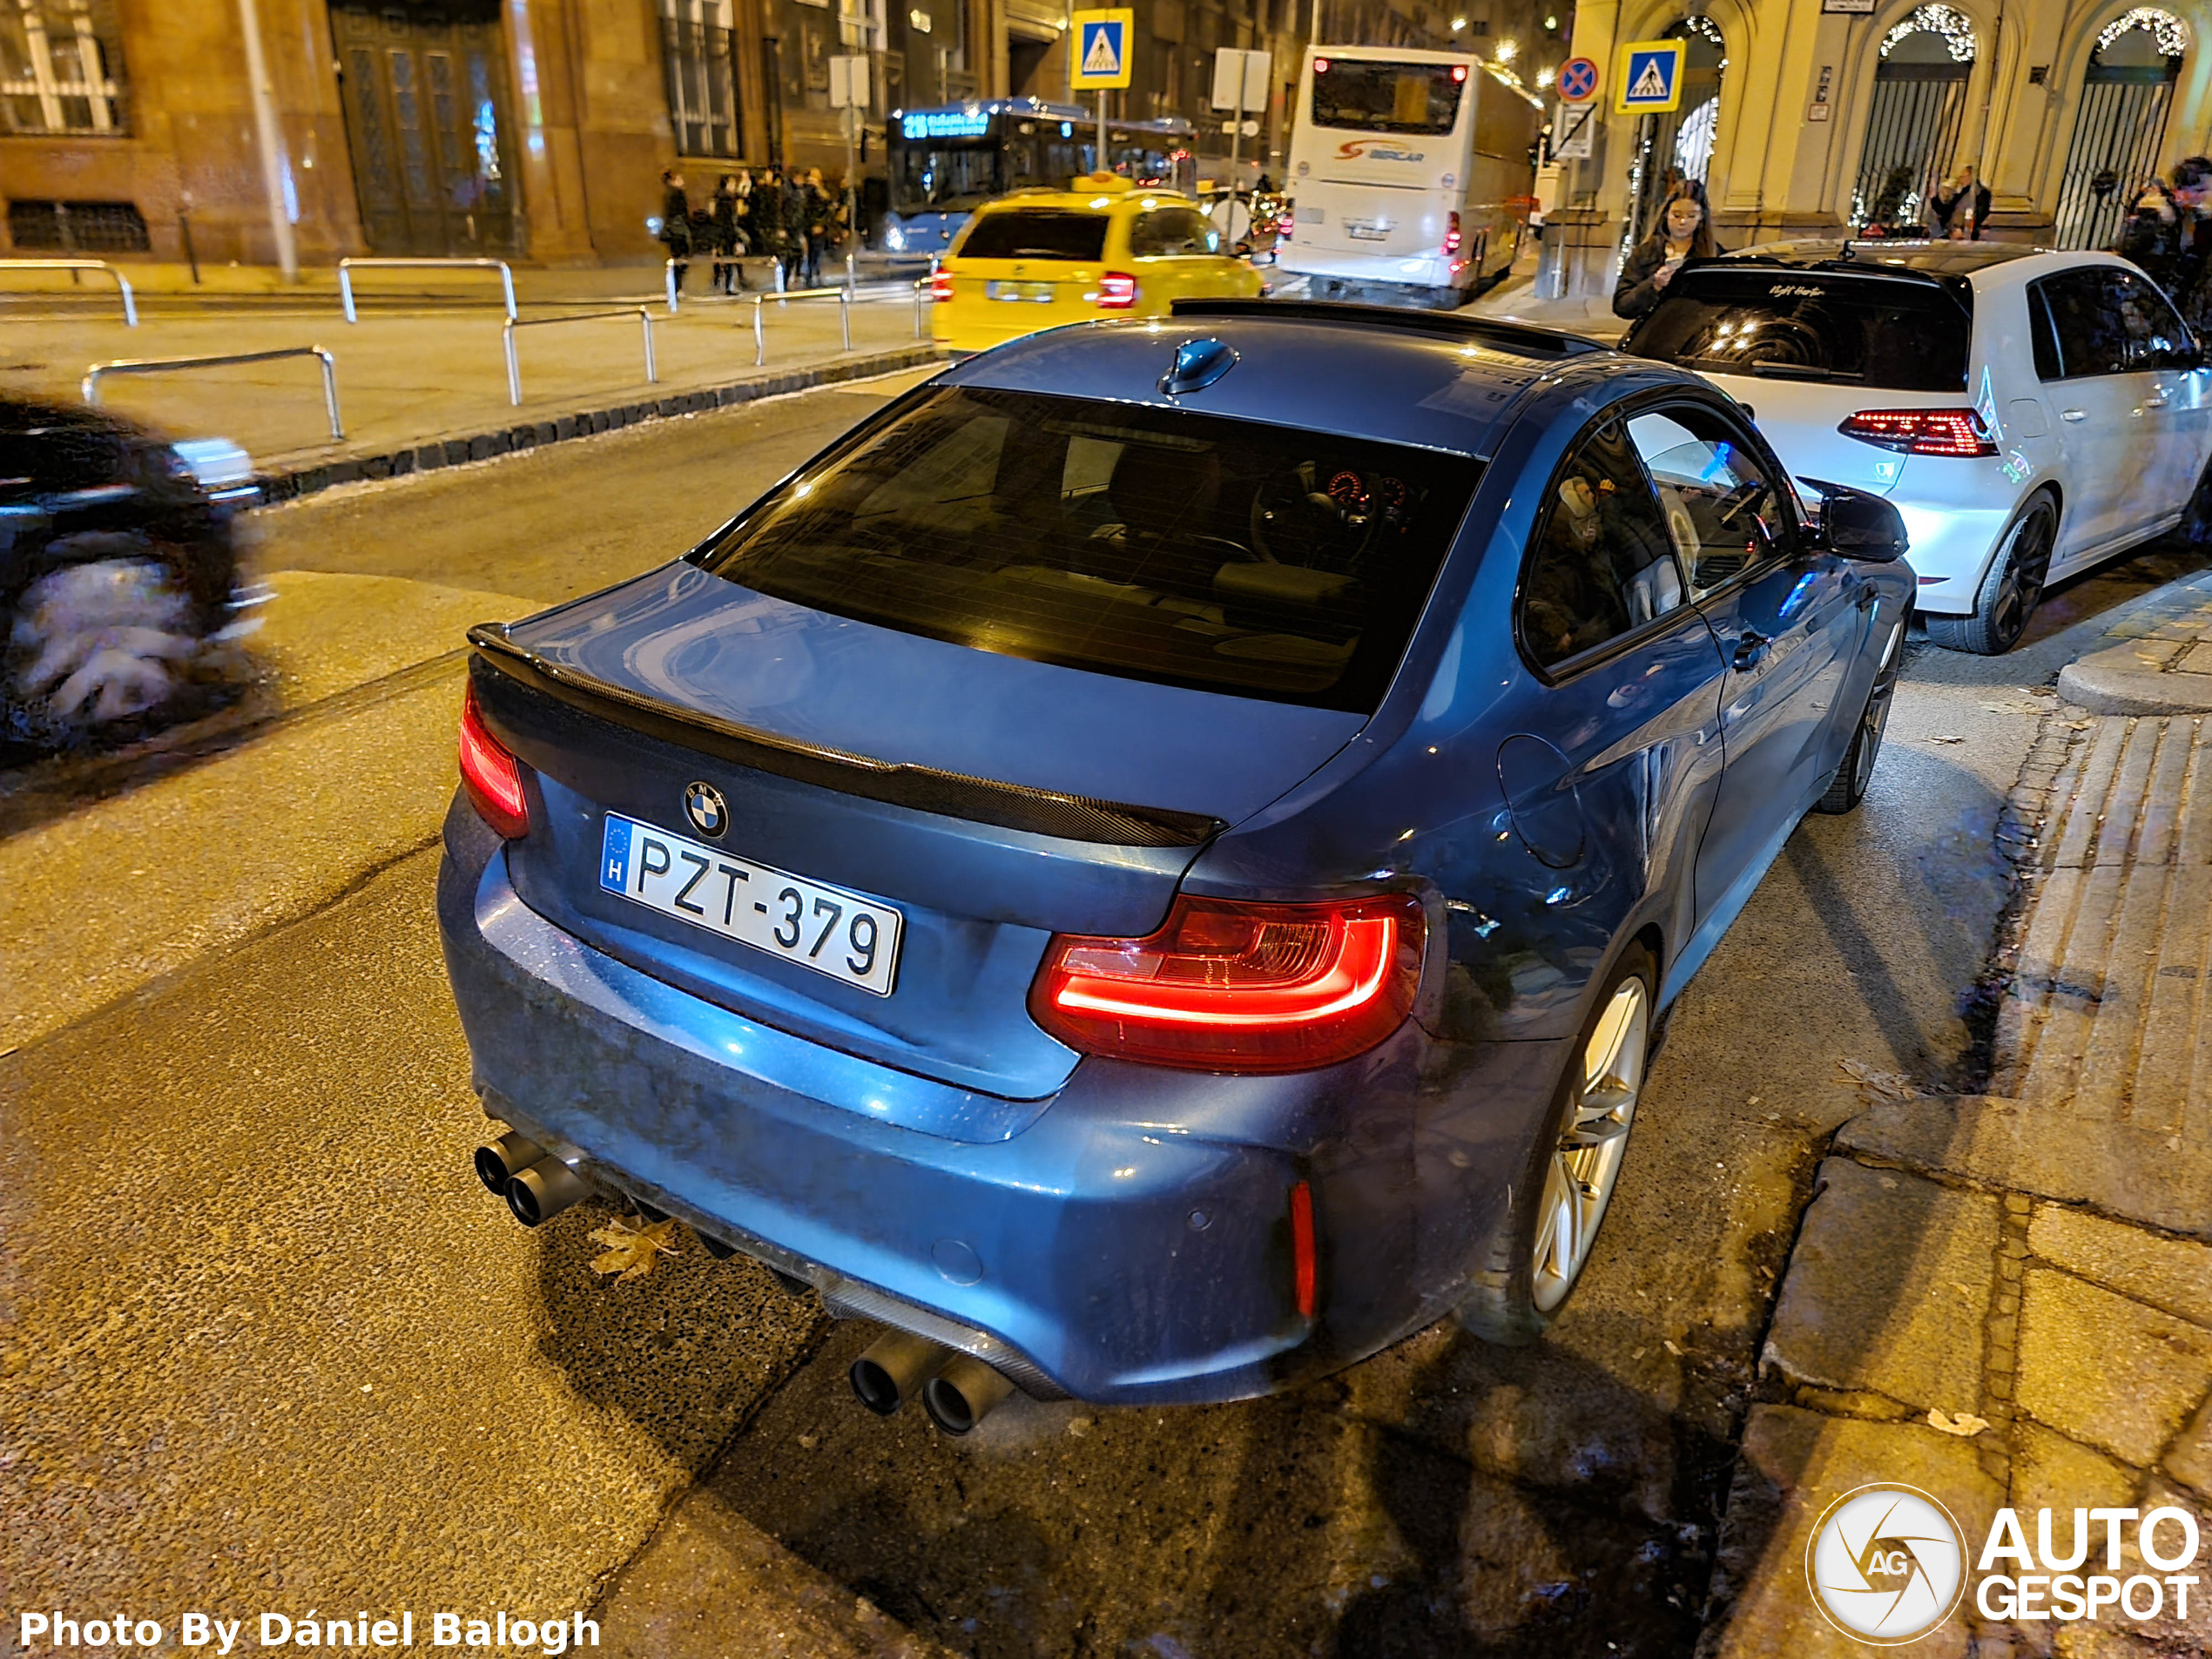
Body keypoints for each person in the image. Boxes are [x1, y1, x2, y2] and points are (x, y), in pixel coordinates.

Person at [2119, 156, 2212, 334]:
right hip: (2141, 310)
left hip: (2165, 312)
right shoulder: (2158, 216)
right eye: (2200, 190)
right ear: (2182, 189)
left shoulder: (2192, 218)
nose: (2205, 197)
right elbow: (2135, 259)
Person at [1614, 181, 1723, 320]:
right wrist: (1653, 285)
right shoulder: (1645, 253)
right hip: (1653, 331)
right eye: (1677, 215)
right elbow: (1622, 306)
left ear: (1701, 218)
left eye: (1691, 216)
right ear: (1666, 214)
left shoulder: (1714, 255)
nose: (1683, 222)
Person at [1928, 164, 1992, 239]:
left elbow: (1980, 214)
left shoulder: (1980, 193)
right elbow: (1946, 211)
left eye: (1962, 176)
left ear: (1970, 177)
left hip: (1964, 233)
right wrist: (1934, 199)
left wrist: (1963, 229)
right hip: (1952, 231)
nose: (1960, 180)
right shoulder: (1961, 194)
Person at [710, 173, 747, 293]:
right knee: (730, 259)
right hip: (728, 232)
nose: (734, 186)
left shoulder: (717, 197)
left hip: (718, 231)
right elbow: (731, 220)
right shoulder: (728, 199)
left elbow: (714, 215)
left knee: (720, 256)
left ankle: (718, 279)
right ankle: (728, 286)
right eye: (732, 183)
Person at [658, 168, 692, 293]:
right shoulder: (677, 194)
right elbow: (681, 214)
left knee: (677, 259)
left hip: (673, 230)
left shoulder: (668, 194)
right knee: (682, 260)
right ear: (673, 181)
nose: (682, 181)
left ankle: (676, 287)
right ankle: (677, 287)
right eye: (680, 179)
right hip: (679, 231)